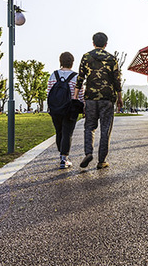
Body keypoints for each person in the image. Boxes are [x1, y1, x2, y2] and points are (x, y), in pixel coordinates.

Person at [74, 32, 123, 169]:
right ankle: (102, 161)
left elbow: (80, 78)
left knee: (89, 127)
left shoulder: (86, 57)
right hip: (107, 99)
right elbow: (117, 80)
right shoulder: (112, 59)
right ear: (106, 44)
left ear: (93, 43)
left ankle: (88, 153)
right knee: (105, 129)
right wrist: (119, 98)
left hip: (90, 98)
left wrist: (75, 96)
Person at [47, 52, 81, 169]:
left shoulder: (53, 75)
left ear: (60, 61)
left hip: (55, 108)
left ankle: (61, 153)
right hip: (70, 109)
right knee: (67, 133)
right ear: (72, 62)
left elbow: (49, 92)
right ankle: (64, 158)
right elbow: (80, 94)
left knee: (59, 131)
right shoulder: (76, 77)